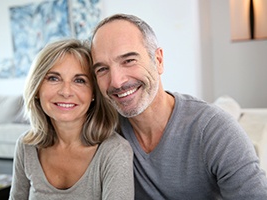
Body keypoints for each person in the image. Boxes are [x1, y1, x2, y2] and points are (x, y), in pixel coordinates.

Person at [90, 13, 267, 199]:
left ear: (158, 60)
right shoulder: (104, 130)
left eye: (129, 61)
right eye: (102, 69)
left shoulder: (215, 129)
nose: (117, 82)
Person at [9, 39, 134, 200]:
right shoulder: (26, 146)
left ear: (94, 93)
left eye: (79, 80)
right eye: (54, 78)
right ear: (37, 88)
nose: (66, 92)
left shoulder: (115, 151)